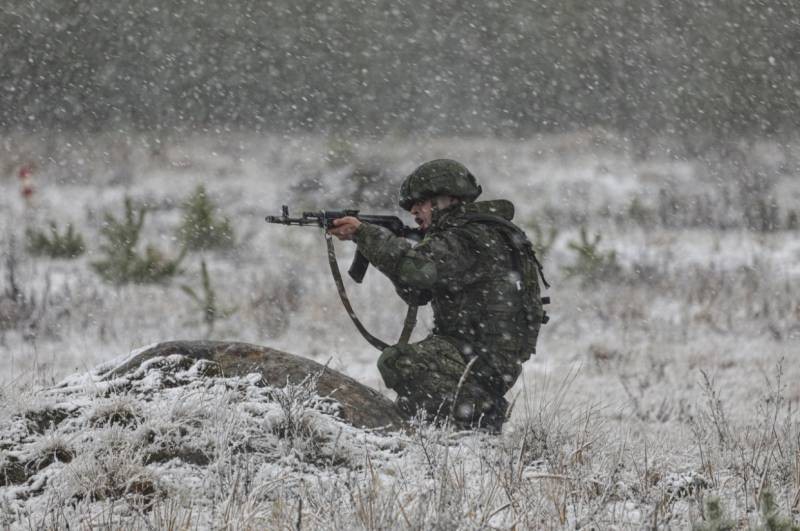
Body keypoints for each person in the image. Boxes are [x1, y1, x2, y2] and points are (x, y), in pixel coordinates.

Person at [328, 159, 547, 431]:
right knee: (409, 386)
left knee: (399, 362)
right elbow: (417, 293)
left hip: (483, 357)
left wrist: (366, 235)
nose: (415, 211)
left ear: (446, 199)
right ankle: (444, 424)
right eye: (411, 207)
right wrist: (379, 245)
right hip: (478, 351)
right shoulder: (467, 233)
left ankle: (478, 418)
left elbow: (419, 270)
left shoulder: (469, 236)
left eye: (421, 203)